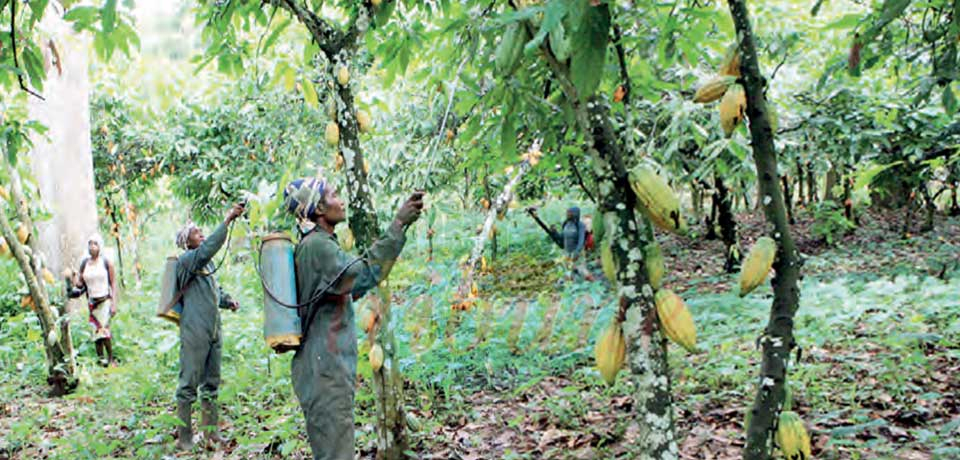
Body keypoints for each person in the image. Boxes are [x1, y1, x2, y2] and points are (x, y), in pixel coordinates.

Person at [283, 177, 423, 460]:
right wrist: (398, 224)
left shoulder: (321, 245)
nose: (341, 200)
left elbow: (354, 285)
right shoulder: (318, 247)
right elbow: (367, 271)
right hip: (323, 370)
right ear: (320, 208)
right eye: (334, 195)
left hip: (323, 366)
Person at [173, 203, 243, 451]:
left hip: (213, 328)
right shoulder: (187, 260)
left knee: (211, 384)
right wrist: (226, 220)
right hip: (194, 329)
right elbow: (210, 247)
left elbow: (213, 289)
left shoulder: (207, 264)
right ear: (186, 242)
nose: (201, 233)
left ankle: (211, 435)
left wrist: (227, 301)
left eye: (202, 231)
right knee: (188, 385)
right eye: (196, 232)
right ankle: (184, 438)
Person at [70, 235, 119, 367]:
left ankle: (110, 358)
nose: (92, 246)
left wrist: (114, 303)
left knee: (104, 331)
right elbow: (80, 284)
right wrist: (73, 278)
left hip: (105, 301)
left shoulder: (106, 262)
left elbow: (113, 283)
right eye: (90, 244)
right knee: (96, 332)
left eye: (95, 244)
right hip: (92, 302)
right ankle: (100, 359)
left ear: (100, 246)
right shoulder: (85, 263)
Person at [561, 206, 594, 281]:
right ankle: (571, 287)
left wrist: (577, 252)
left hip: (577, 252)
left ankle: (595, 284)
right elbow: (562, 237)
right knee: (568, 271)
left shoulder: (580, 225)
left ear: (575, 214)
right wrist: (554, 232)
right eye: (567, 213)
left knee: (582, 270)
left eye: (570, 213)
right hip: (567, 252)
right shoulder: (566, 224)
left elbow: (581, 240)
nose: (568, 215)